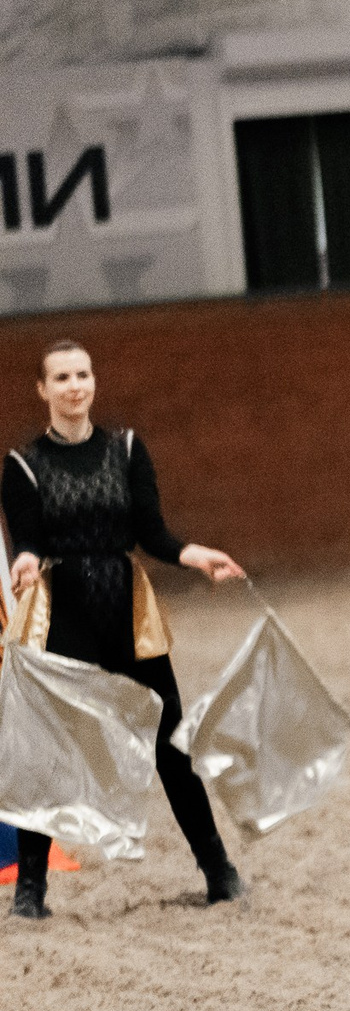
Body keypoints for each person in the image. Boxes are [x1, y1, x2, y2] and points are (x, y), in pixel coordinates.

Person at [6, 341, 246, 918]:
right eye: (61, 377)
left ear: (94, 381)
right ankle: (31, 892)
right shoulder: (22, 464)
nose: (74, 386)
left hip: (126, 612)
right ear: (43, 390)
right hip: (63, 616)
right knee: (52, 752)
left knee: (170, 744)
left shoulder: (128, 448)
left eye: (82, 374)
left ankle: (218, 871)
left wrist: (194, 555)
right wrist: (25, 562)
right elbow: (29, 541)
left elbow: (152, 533)